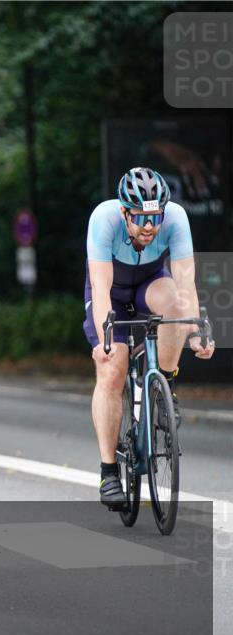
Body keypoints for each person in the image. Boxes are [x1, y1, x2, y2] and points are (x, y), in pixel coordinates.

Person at [85, 167, 214, 508]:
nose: (149, 227)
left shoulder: (176, 218)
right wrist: (106, 342)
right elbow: (100, 289)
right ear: (124, 211)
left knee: (174, 303)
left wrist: (195, 330)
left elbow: (186, 285)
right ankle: (108, 472)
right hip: (110, 289)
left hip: (149, 282)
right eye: (140, 218)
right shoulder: (104, 219)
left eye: (155, 218)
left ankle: (164, 387)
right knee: (113, 368)